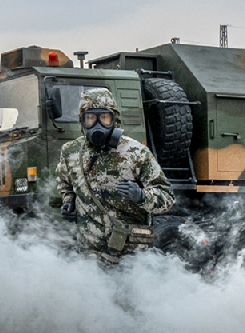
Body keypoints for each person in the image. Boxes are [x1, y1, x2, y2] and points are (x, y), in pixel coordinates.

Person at [55, 88, 174, 268]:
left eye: (104, 118)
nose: (97, 125)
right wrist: (69, 201)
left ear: (114, 120)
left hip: (130, 256)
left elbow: (167, 197)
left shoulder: (135, 152)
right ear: (82, 122)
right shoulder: (70, 151)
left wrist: (141, 196)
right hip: (89, 254)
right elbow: (64, 182)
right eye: (90, 118)